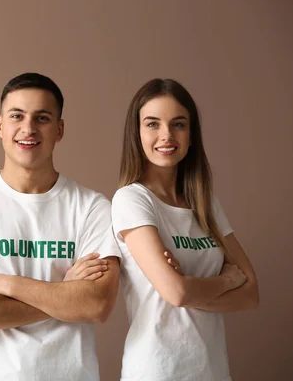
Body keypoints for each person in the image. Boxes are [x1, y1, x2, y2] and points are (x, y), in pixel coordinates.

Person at [0, 72, 121, 380]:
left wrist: (3, 283)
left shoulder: (92, 208)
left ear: (59, 130)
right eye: (17, 116)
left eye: (42, 118)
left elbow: (97, 304)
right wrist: (64, 294)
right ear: (0, 126)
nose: (28, 128)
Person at [111, 78, 259, 381]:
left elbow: (251, 294)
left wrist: (190, 287)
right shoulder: (132, 199)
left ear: (191, 136)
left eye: (178, 124)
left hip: (212, 371)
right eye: (152, 124)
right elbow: (176, 293)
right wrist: (226, 279)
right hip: (156, 370)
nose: (166, 135)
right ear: (136, 134)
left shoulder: (206, 204)